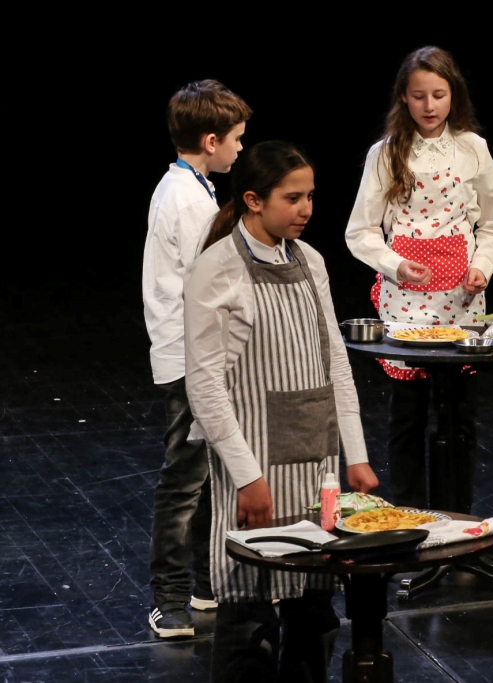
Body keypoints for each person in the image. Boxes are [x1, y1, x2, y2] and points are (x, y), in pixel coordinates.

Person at [185, 140, 379, 681]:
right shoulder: (217, 269)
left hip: (315, 464)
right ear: (253, 200)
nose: (306, 209)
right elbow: (205, 385)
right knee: (250, 611)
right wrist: (248, 478)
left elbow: (334, 362)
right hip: (256, 466)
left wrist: (356, 455)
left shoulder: (310, 261)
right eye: (292, 198)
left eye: (310, 196)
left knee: (315, 609)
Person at [345, 46, 493, 512]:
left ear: (453, 95)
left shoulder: (472, 149)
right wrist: (396, 265)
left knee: (458, 416)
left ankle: (456, 514)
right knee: (408, 415)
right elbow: (360, 231)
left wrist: (482, 267)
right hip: (407, 301)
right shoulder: (386, 153)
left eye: (439, 95)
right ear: (404, 97)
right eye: (419, 96)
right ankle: (411, 515)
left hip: (460, 300)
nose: (430, 105)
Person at [142, 79, 251, 638]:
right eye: (236, 138)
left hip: (198, 351)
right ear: (211, 141)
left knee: (209, 474)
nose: (240, 147)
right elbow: (202, 284)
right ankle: (168, 596)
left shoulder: (192, 188)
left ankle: (206, 583)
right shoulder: (186, 199)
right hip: (189, 356)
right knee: (185, 477)